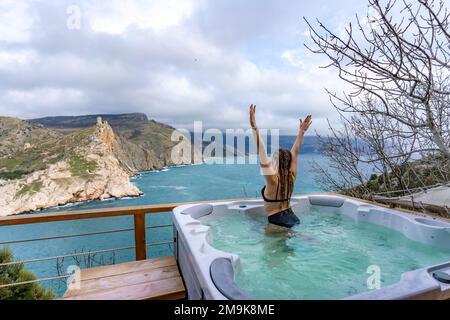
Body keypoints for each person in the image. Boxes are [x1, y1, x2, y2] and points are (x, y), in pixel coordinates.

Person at [249, 104, 312, 229]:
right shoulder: (291, 178)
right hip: (292, 218)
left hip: (276, 222)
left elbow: (261, 151)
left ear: (275, 162)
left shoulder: (272, 180)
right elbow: (295, 152)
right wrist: (302, 131)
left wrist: (254, 127)